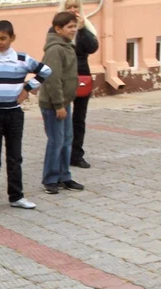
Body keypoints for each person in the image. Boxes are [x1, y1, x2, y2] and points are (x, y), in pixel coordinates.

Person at [0, 20, 52, 215]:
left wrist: (28, 88)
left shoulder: (22, 59)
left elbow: (45, 71)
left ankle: (16, 196)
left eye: (3, 38)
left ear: (12, 38)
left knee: (14, 157)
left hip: (14, 113)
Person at [40, 12, 83, 195]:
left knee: (66, 140)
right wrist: (58, 105)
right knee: (56, 141)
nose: (73, 30)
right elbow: (52, 78)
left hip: (65, 102)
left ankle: (64, 176)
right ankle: (50, 179)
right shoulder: (55, 49)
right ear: (58, 29)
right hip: (53, 104)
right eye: (69, 27)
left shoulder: (67, 46)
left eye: (75, 26)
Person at [55, 0, 98, 169]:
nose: (73, 10)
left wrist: (81, 29)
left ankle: (77, 154)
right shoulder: (57, 27)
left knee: (79, 119)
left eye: (75, 6)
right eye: (69, 7)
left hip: (82, 76)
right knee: (62, 116)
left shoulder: (85, 26)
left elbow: (92, 47)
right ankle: (61, 153)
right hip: (65, 77)